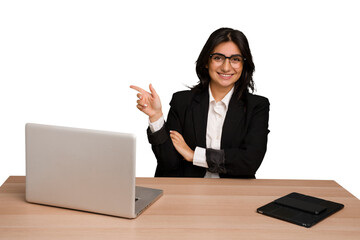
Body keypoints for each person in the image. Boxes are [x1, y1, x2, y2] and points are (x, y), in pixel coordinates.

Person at [130, 27, 269, 178]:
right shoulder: (182, 102)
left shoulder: (257, 106)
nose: (226, 67)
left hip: (234, 194)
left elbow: (249, 163)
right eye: (218, 58)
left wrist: (193, 155)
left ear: (244, 65)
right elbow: (169, 164)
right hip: (187, 192)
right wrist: (156, 116)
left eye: (235, 59)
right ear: (206, 62)